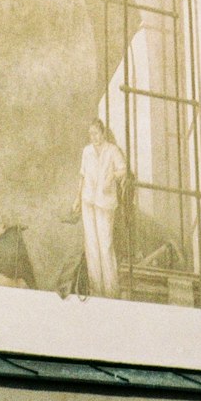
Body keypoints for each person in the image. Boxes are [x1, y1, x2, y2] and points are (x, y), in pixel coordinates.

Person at [73, 119, 127, 297]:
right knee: (91, 245)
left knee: (105, 244)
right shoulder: (86, 151)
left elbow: (123, 170)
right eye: (91, 134)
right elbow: (82, 175)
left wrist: (111, 176)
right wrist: (77, 198)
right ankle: (96, 289)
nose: (94, 137)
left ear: (103, 133)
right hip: (88, 200)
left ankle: (111, 290)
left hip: (105, 203)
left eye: (96, 133)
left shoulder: (112, 150)